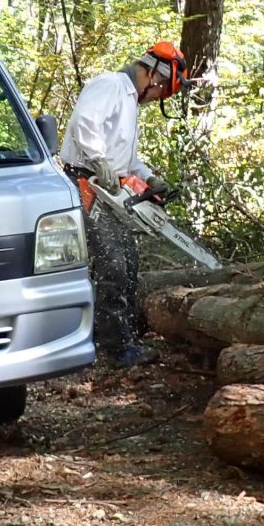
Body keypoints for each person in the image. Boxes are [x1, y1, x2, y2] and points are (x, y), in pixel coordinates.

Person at [60, 42, 189, 367]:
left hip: (109, 187)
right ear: (153, 75)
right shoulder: (111, 85)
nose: (158, 96)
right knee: (112, 264)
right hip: (87, 181)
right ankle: (115, 347)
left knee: (127, 260)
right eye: (161, 90)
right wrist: (99, 161)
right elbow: (82, 123)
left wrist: (150, 178)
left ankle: (117, 333)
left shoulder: (130, 104)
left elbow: (127, 160)